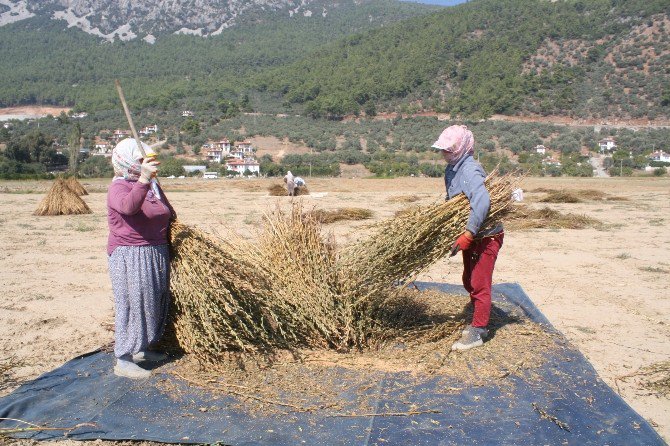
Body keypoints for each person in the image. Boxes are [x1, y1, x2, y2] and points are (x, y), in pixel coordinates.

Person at [107, 138, 176, 379]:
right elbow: (128, 208)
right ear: (126, 161)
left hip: (155, 250)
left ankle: (142, 349)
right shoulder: (120, 187)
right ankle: (123, 359)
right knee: (132, 302)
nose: (145, 163)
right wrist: (144, 180)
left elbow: (168, 213)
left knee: (152, 302)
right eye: (140, 160)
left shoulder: (149, 186)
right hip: (131, 253)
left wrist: (153, 183)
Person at [432, 125, 504, 351]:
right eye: (443, 150)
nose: (444, 154)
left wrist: (469, 233)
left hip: (486, 236)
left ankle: (479, 330)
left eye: (448, 150)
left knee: (479, 283)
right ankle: (478, 316)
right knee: (468, 279)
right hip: (470, 235)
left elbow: (482, 202)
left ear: (462, 148)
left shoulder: (470, 170)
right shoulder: (453, 168)